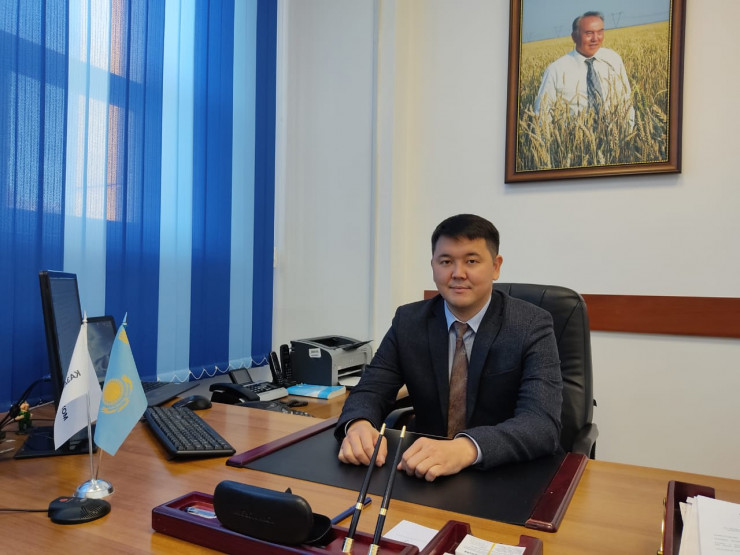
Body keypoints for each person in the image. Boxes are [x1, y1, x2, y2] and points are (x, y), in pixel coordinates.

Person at [335, 214, 563, 481]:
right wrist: (358, 424)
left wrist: (466, 448)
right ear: (433, 266)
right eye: (445, 262)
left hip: (505, 473)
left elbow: (541, 423)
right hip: (423, 470)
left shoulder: (531, 325)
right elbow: (371, 389)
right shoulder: (409, 321)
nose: (457, 273)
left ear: (495, 266)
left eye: (471, 261)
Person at [534, 11, 634, 126]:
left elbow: (626, 100)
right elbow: (542, 114)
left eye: (600, 32)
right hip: (573, 135)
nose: (595, 38)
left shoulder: (613, 59)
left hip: (616, 132)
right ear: (574, 37)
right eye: (589, 33)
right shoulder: (555, 70)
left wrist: (628, 131)